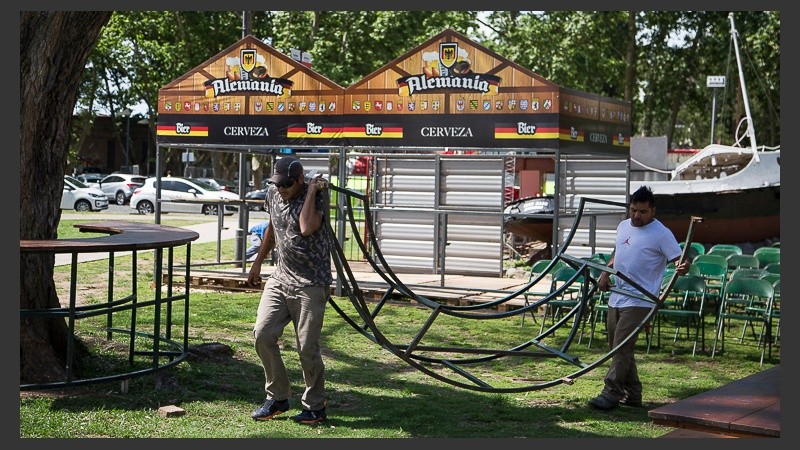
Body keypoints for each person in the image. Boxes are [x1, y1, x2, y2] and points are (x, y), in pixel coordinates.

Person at [246, 156, 332, 424]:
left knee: (307, 347)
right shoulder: (273, 193)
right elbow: (273, 226)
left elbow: (307, 227)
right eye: (277, 184)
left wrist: (309, 191)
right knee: (263, 334)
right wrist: (257, 264)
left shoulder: (317, 195)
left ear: (299, 180)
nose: (281, 190)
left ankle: (315, 406)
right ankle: (278, 397)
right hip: (281, 278)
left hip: (311, 283)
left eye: (286, 185)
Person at [588, 185, 690, 411]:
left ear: (652, 211)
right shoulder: (623, 226)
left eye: (642, 212)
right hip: (618, 294)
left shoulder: (662, 234)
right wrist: (605, 273)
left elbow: (679, 260)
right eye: (633, 210)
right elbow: (618, 253)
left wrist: (682, 266)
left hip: (641, 299)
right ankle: (633, 394)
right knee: (618, 346)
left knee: (621, 347)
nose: (636, 216)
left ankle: (611, 392)